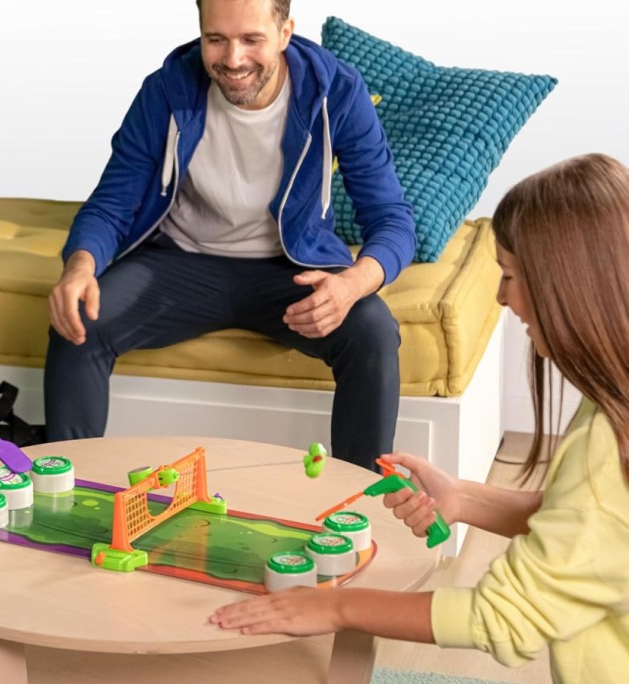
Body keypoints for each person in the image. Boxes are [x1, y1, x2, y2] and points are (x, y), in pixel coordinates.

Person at [210, 153, 629, 683]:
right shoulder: (615, 400)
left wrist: (336, 608)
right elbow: (592, 526)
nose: (502, 297)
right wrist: (465, 497)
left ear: (570, 283)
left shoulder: (603, 437)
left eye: (511, 275)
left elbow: (502, 617)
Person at [44, 0, 415, 470]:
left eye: (251, 40)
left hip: (290, 269)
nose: (233, 59)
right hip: (179, 265)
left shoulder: (336, 91)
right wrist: (80, 266)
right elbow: (112, 203)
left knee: (373, 331)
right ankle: (59, 491)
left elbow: (391, 217)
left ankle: (360, 505)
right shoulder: (166, 90)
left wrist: (352, 284)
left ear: (285, 33)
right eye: (215, 39)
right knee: (79, 317)